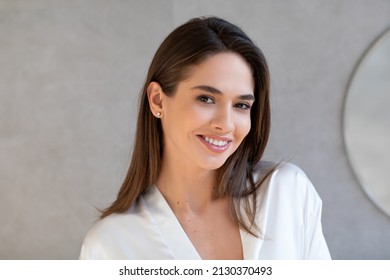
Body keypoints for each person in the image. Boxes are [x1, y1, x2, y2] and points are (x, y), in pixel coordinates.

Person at [79, 16, 331, 260]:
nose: (225, 124)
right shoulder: (111, 245)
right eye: (206, 99)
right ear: (157, 100)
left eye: (241, 105)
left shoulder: (287, 193)